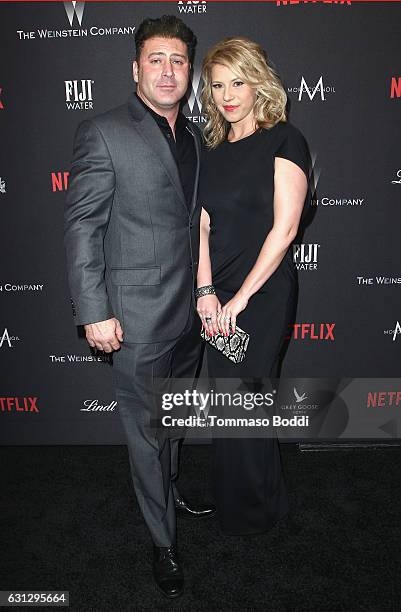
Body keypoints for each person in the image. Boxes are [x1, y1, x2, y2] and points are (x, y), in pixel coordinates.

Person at [64, 15, 215, 600]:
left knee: (172, 423)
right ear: (135, 69)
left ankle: (169, 489)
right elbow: (83, 227)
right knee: (146, 434)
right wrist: (92, 309)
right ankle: (163, 541)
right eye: (156, 59)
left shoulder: (195, 137)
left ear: (190, 71)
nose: (168, 70)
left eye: (178, 60)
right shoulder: (104, 131)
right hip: (133, 316)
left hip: (186, 317)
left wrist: (204, 294)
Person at [196, 37, 310, 535]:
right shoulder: (210, 151)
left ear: (258, 82)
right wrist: (206, 294)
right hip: (217, 293)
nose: (227, 95)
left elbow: (284, 229)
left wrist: (239, 300)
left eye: (237, 82)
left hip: (260, 294)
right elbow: (199, 227)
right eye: (217, 85)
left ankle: (253, 513)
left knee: (247, 396)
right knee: (230, 400)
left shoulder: (285, 139)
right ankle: (255, 500)